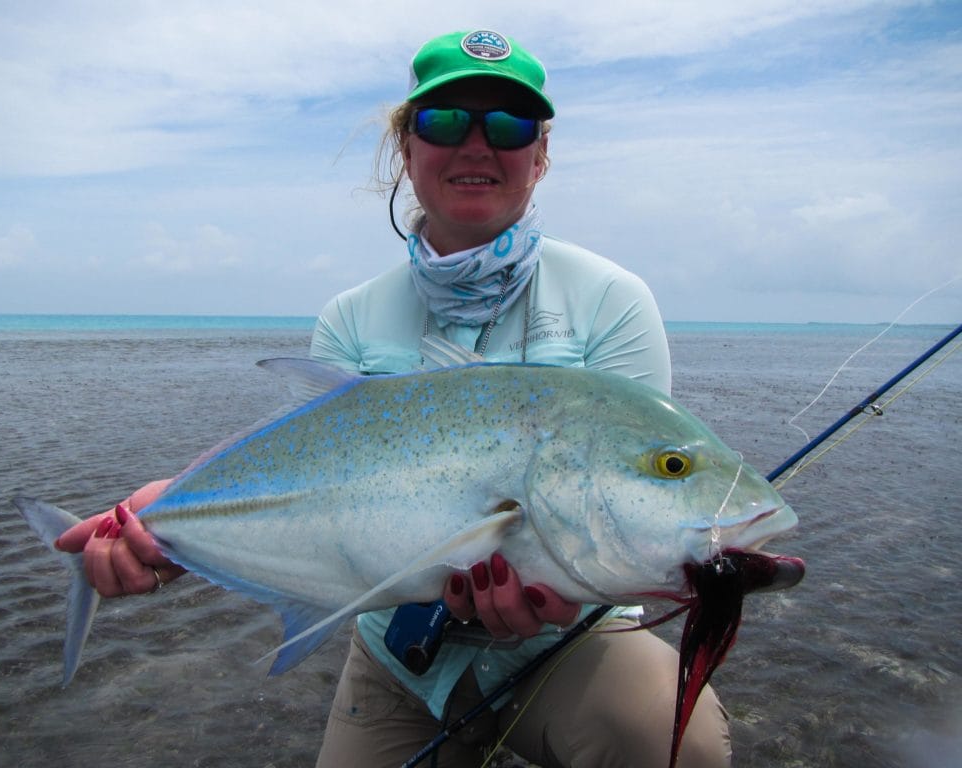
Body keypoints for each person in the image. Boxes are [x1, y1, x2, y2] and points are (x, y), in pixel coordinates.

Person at [56, 30, 731, 768]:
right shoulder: (352, 317)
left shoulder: (611, 301)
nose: (477, 144)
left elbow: (616, 515)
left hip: (569, 643)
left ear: (540, 157)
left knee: (674, 740)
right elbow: (309, 479)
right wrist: (171, 517)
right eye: (445, 122)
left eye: (508, 126)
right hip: (399, 656)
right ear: (407, 150)